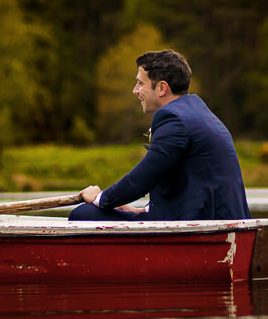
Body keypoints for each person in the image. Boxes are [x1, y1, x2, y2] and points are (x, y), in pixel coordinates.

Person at [71, 50, 250, 221]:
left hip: (201, 228)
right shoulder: (199, 113)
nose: (135, 90)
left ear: (162, 88)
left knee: (83, 214)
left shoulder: (173, 118)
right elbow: (186, 181)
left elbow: (141, 180)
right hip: (221, 222)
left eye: (140, 83)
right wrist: (143, 210)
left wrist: (100, 198)